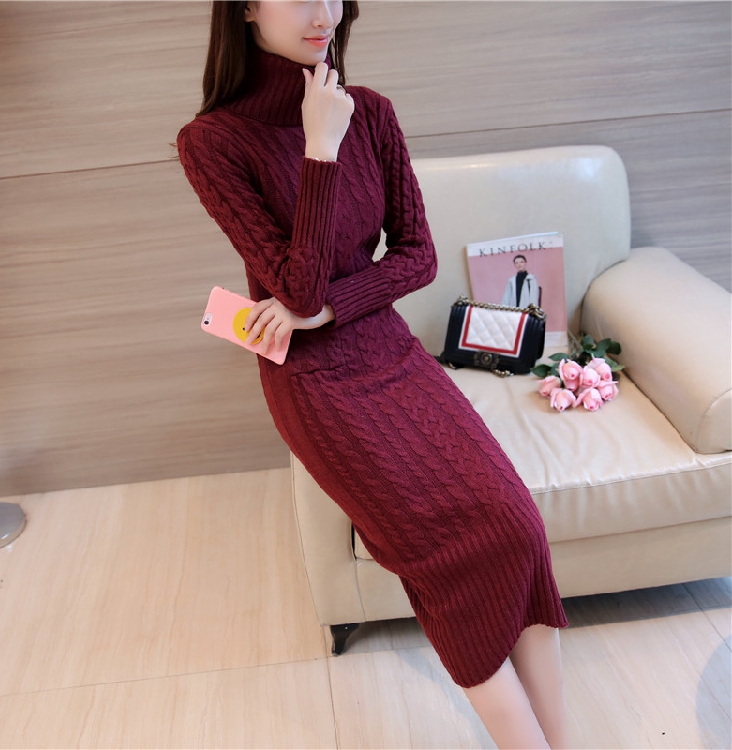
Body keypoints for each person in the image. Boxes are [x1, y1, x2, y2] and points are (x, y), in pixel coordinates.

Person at [177, 3, 569, 747]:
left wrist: (331, 309)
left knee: (517, 527)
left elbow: (417, 257)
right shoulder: (213, 142)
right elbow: (295, 288)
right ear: (247, 7)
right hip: (318, 390)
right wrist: (319, 149)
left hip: (388, 350)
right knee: (451, 562)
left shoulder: (374, 113)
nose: (322, 11)